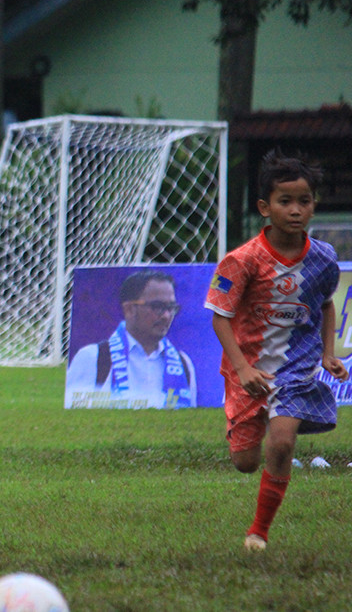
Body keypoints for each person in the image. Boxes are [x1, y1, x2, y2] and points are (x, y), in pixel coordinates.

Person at [204, 149, 348, 552]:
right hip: (248, 370)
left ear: (314, 205)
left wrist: (327, 353)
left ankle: (259, 533)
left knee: (282, 443)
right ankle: (249, 421)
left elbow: (325, 304)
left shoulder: (323, 258)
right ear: (265, 207)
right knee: (245, 462)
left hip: (295, 369)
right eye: (285, 201)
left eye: (304, 201)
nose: (296, 210)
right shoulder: (241, 260)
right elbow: (219, 317)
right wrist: (242, 369)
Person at [66, 269, 197, 409]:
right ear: (129, 309)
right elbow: (75, 413)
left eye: (171, 308)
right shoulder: (93, 358)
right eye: (157, 307)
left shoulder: (183, 363)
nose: (166, 316)